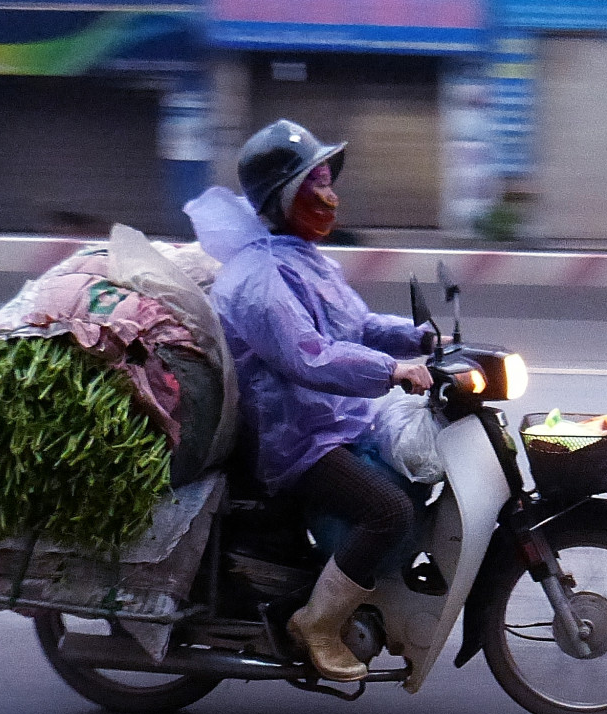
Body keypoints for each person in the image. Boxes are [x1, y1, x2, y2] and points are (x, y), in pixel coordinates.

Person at [185, 119, 435, 681]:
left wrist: (420, 339)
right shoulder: (262, 278)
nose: (329, 194)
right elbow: (310, 355)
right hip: (296, 441)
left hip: (334, 421)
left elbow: (358, 323)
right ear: (281, 198)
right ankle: (318, 623)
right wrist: (393, 370)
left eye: (328, 179)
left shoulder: (304, 257)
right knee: (387, 510)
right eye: (314, 183)